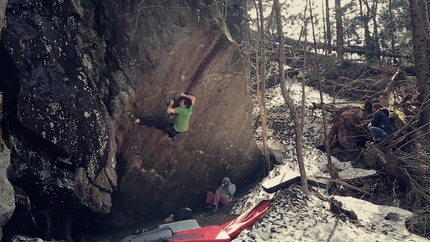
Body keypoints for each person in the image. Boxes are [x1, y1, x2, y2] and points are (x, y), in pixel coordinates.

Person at [131, 92, 196, 140]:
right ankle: (173, 136)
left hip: (175, 129)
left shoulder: (181, 110)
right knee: (167, 125)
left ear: (184, 105)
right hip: (182, 128)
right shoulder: (189, 108)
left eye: (181, 102)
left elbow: (168, 110)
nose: (179, 102)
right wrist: (184, 95)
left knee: (158, 124)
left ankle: (139, 121)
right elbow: (193, 98)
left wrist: (171, 104)